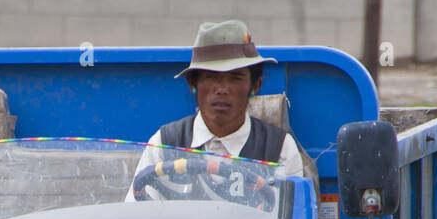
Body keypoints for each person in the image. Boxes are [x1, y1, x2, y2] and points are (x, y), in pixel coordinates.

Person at [128, 19, 308, 201]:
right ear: (193, 83)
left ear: (255, 86)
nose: (222, 89)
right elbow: (138, 217)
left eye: (235, 78)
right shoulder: (164, 143)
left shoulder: (280, 149)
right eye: (211, 77)